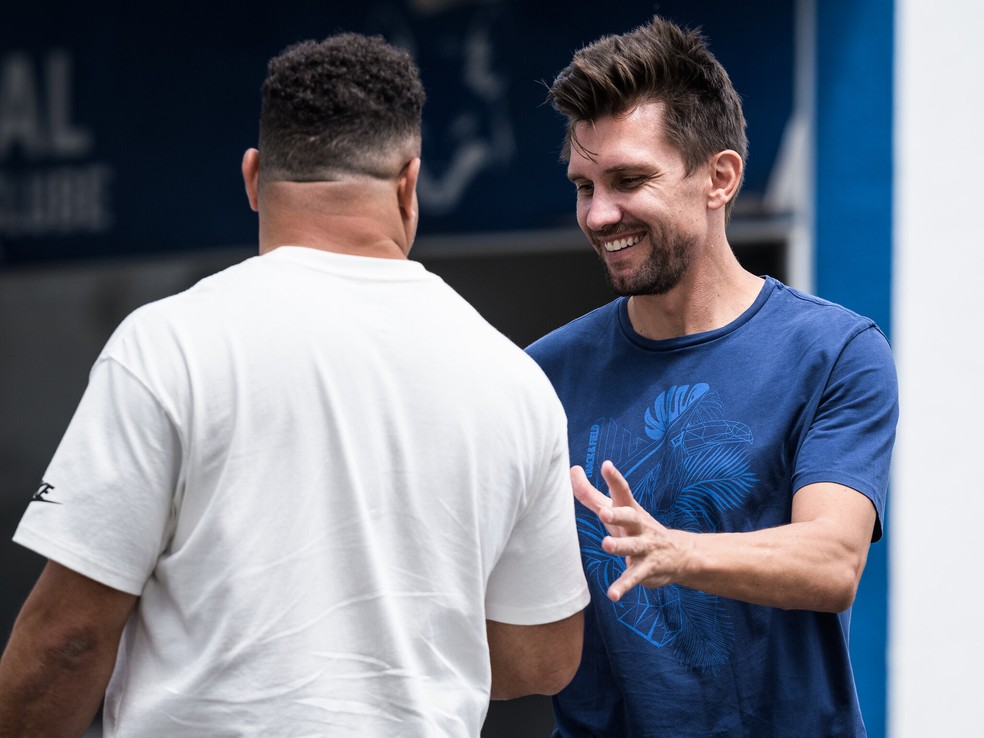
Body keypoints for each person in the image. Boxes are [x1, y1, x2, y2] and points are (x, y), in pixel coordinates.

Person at [0, 32, 589, 736]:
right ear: (410, 183)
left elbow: (67, 640)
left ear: (253, 178)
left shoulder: (169, 345)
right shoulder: (513, 380)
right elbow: (544, 656)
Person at [525, 15, 899, 737]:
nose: (600, 214)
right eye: (583, 186)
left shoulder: (835, 353)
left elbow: (831, 559)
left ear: (719, 178)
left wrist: (674, 551)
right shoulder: (541, 376)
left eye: (630, 180)